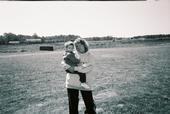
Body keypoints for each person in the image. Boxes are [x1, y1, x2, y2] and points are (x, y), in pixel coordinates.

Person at [61, 38, 96, 114]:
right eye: (76, 46)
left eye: (80, 45)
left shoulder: (90, 56)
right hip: (71, 84)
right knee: (73, 108)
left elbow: (86, 69)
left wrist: (73, 68)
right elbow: (64, 63)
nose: (78, 47)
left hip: (85, 84)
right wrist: (65, 65)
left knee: (90, 107)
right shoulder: (72, 54)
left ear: (84, 45)